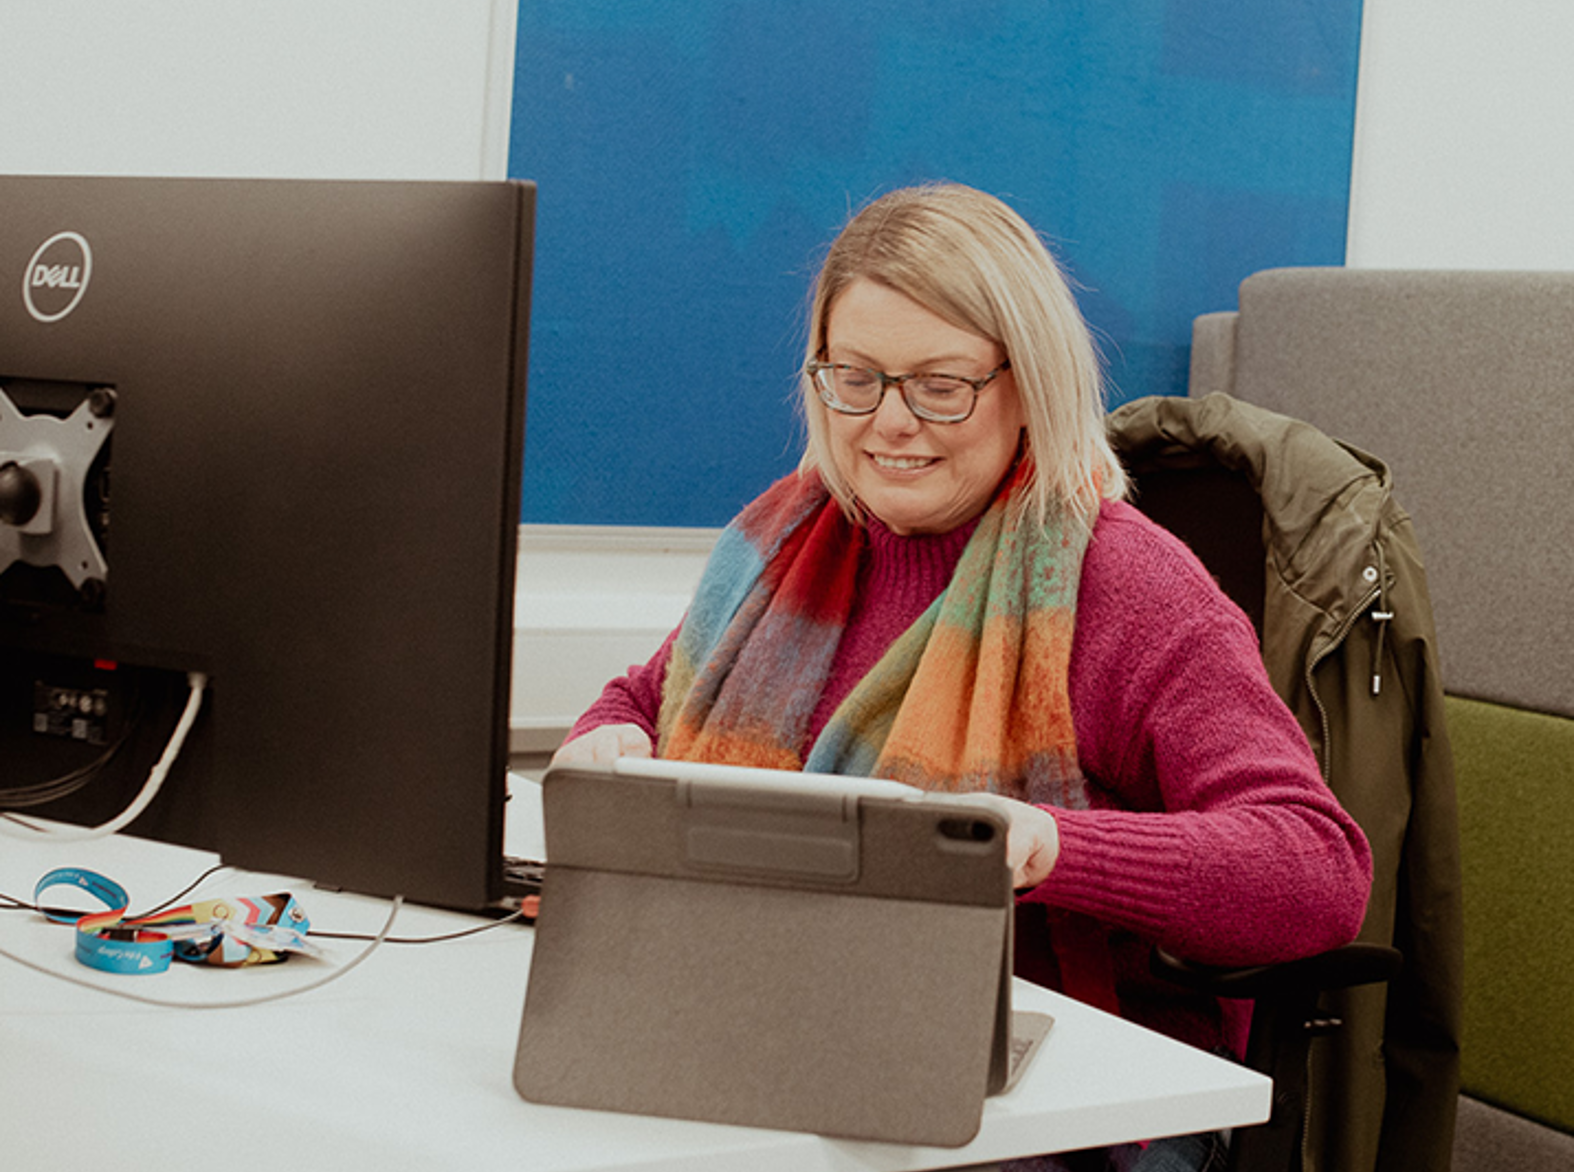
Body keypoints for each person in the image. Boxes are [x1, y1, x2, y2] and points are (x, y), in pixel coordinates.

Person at [551, 183, 1373, 1172]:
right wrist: (608, 736)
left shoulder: (1124, 584)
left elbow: (1316, 867)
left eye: (939, 385)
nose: (889, 423)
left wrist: (1049, 842)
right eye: (853, 378)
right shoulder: (783, 536)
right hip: (774, 1033)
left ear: (1025, 383)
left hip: (1053, 1102)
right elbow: (647, 696)